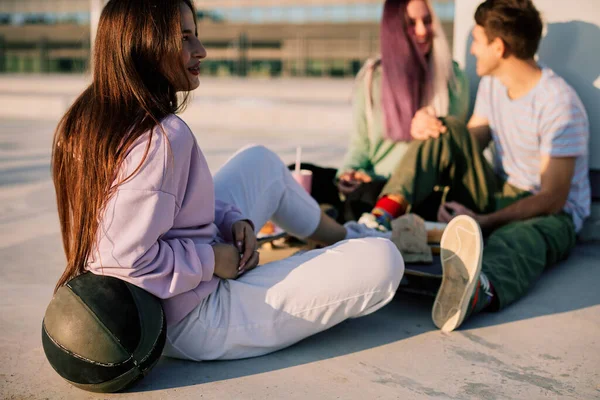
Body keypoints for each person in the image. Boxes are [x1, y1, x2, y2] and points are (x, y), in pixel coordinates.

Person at [51, 0, 404, 361]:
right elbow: (122, 259)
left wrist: (230, 219)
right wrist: (211, 260)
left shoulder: (86, 117)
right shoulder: (161, 138)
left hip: (170, 290)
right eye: (185, 38)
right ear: (145, 45)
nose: (200, 50)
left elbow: (162, 207)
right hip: (189, 319)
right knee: (384, 259)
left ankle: (349, 235)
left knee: (260, 161)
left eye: (196, 36)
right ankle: (365, 242)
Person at [362, 0, 590, 332]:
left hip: (553, 213)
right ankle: (379, 219)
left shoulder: (559, 104)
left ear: (499, 47)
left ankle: (476, 289)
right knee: (442, 129)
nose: (471, 50)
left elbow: (553, 197)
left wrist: (484, 221)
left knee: (518, 238)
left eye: (477, 41)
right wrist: (432, 127)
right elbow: (469, 140)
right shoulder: (493, 84)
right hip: (501, 189)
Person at [293, 0, 469, 224]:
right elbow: (360, 147)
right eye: (412, 24)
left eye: (427, 21)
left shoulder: (452, 79)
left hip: (413, 190)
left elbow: (444, 151)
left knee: (364, 197)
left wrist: (431, 121)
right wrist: (350, 172)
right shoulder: (372, 78)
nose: (423, 31)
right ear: (394, 30)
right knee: (297, 173)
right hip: (371, 180)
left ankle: (340, 219)